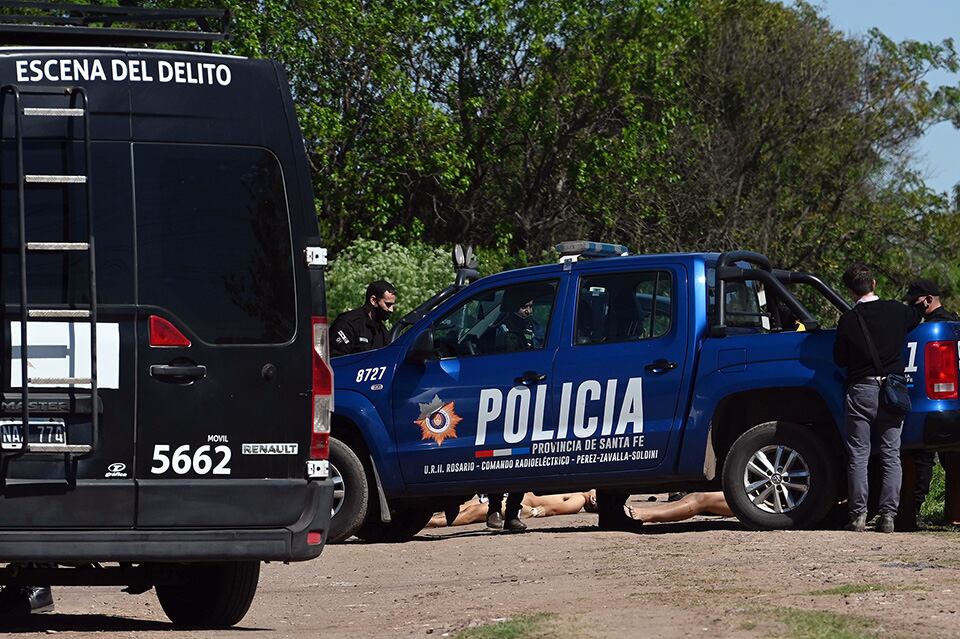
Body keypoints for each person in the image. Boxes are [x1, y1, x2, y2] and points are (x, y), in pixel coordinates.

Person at [834, 263, 921, 533]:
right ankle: (888, 516)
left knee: (859, 456)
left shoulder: (848, 320)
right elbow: (917, 315)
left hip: (861, 391)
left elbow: (840, 358)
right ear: (874, 284)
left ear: (850, 291)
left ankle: (858, 516)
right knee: (890, 455)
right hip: (893, 390)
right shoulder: (897, 310)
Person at [900, 279, 960, 529]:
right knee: (951, 461)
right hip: (950, 403)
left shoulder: (934, 329)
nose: (913, 308)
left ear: (927, 299)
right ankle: (953, 515)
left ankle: (911, 513)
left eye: (915, 303)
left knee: (921, 456)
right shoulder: (954, 324)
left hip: (935, 401)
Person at [330, 280, 397, 357]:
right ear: (373, 300)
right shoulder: (348, 324)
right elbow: (336, 361)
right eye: (388, 304)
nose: (391, 310)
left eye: (393, 305)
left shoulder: (383, 333)